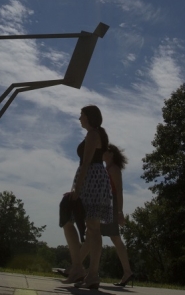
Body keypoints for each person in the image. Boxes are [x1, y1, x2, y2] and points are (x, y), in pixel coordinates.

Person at [61, 105, 111, 289]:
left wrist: (77, 189)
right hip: (96, 180)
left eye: (81, 115)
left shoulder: (92, 135)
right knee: (93, 229)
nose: (79, 118)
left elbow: (86, 163)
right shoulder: (96, 134)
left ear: (89, 116)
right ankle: (87, 273)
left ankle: (89, 273)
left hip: (92, 181)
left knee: (92, 228)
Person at [74, 144, 134, 286]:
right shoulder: (106, 168)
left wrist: (119, 212)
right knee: (96, 236)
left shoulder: (114, 169)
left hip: (110, 204)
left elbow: (119, 191)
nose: (101, 153)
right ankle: (77, 267)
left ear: (111, 154)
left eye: (104, 152)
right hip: (104, 202)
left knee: (101, 236)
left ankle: (77, 268)